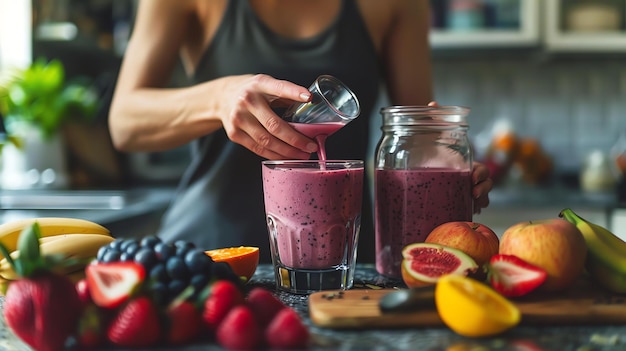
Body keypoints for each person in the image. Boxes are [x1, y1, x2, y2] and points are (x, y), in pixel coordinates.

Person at [108, 0, 493, 263]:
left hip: (346, 264)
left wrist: (448, 159)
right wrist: (220, 98)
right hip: (212, 257)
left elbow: (416, 129)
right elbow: (124, 122)